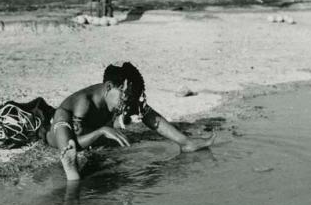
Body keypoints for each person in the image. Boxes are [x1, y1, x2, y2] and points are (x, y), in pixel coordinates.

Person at [46, 62, 216, 181]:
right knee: (65, 134)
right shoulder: (84, 103)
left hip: (86, 135)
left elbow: (147, 114)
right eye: (125, 98)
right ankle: (71, 171)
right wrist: (101, 132)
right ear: (108, 87)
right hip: (57, 131)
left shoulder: (118, 96)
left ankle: (185, 144)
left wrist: (184, 141)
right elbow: (77, 141)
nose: (126, 105)